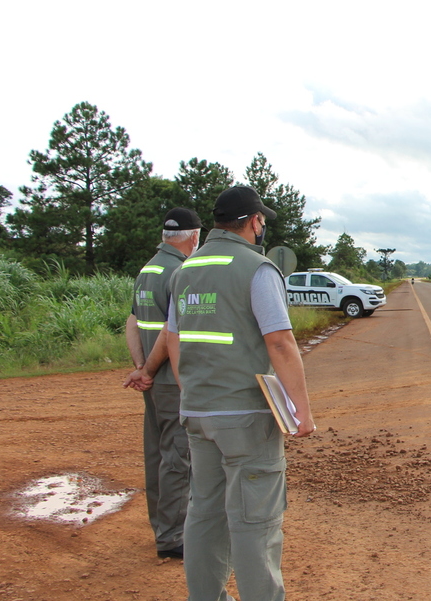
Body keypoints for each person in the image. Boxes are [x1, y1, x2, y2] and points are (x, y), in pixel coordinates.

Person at [166, 185, 315, 601]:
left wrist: (191, 390)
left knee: (204, 514)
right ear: (254, 222)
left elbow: (174, 340)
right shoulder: (257, 268)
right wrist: (301, 411)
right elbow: (281, 343)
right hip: (246, 417)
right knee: (255, 523)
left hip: (197, 412)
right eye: (261, 220)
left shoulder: (187, 270)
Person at [122, 207, 202, 559]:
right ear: (194, 237)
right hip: (170, 381)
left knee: (156, 454)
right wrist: (151, 370)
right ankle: (172, 537)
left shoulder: (148, 269)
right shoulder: (180, 271)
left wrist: (139, 366)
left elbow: (132, 321)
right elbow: (171, 331)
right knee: (177, 458)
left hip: (154, 383)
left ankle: (161, 525)